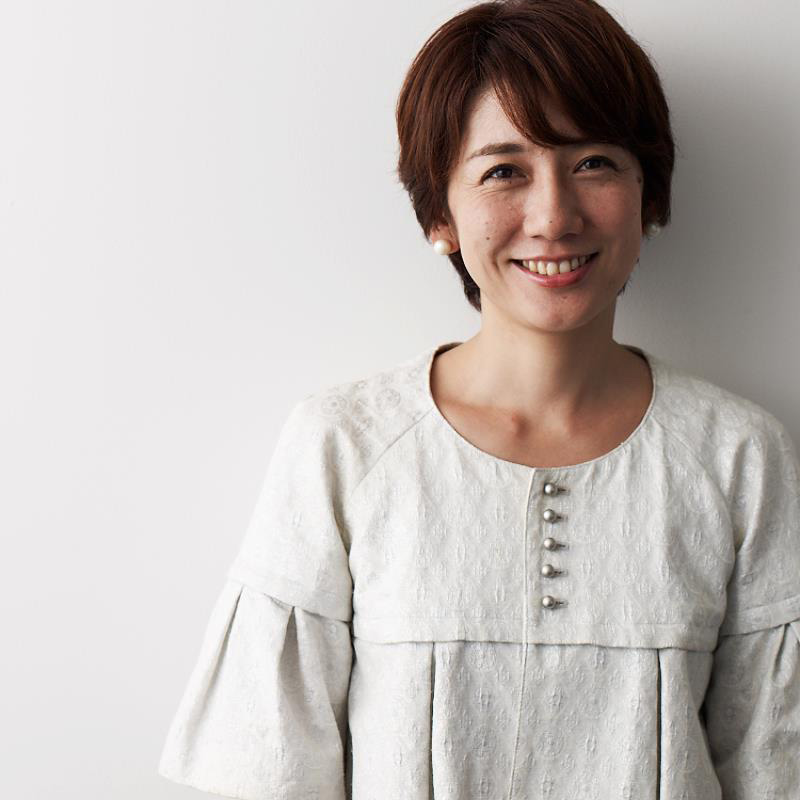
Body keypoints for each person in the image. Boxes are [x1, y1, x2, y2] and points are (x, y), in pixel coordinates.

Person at [158, 0, 800, 797]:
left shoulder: (739, 456)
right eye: (504, 171)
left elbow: (777, 766)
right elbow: (267, 768)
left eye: (594, 162)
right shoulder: (346, 446)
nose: (554, 216)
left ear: (650, 194)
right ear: (440, 215)